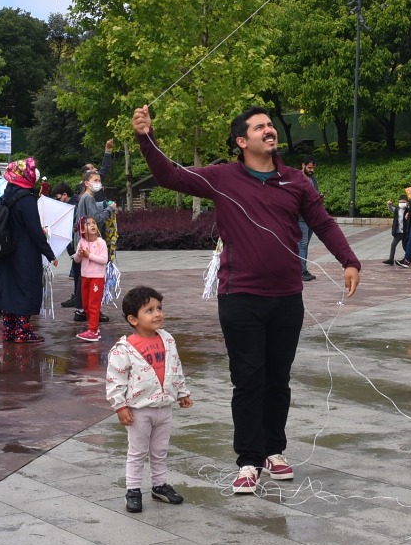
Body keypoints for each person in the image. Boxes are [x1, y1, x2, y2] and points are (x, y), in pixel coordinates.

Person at [132, 103, 360, 495]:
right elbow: (168, 175)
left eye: (271, 125)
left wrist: (349, 260)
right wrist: (145, 138)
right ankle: (249, 460)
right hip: (240, 298)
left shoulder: (295, 182)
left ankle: (275, 451)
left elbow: (322, 222)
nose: (269, 131)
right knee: (249, 378)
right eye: (259, 127)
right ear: (242, 140)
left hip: (288, 297)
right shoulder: (223, 177)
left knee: (278, 379)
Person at [107, 285, 193, 513]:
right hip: (139, 410)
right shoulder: (123, 349)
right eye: (149, 310)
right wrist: (120, 406)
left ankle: (159, 485)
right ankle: (133, 489)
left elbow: (176, 367)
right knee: (137, 452)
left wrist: (182, 392)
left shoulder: (168, 340)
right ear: (133, 319)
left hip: (164, 407)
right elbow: (115, 380)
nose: (157, 314)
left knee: (160, 450)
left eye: (159, 308)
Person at [0, 157, 52, 343]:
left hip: (7, 250)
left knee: (9, 289)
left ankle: (9, 330)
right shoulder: (27, 199)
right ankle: (22, 332)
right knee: (26, 288)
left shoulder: (7, 195)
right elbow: (34, 229)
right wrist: (49, 253)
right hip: (25, 252)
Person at [66, 168, 115, 317]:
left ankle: (83, 309)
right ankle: (87, 309)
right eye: (95, 180)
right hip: (89, 242)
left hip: (84, 240)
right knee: (91, 277)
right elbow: (97, 219)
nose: (98, 183)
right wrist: (110, 209)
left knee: (84, 276)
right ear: (87, 183)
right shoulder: (87, 198)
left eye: (99, 180)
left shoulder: (85, 199)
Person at [76, 217, 110, 343]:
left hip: (97, 278)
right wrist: (79, 254)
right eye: (88, 224)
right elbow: (76, 260)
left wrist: (89, 255)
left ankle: (93, 330)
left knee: (93, 305)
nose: (92, 225)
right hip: (85, 277)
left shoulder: (101, 243)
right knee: (86, 306)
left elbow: (104, 260)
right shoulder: (81, 242)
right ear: (83, 230)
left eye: (94, 223)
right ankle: (94, 327)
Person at [296, 158, 320, 282]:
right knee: (302, 244)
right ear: (303, 165)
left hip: (311, 217)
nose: (312, 170)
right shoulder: (297, 179)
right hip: (301, 217)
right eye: (310, 168)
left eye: (313, 168)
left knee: (304, 244)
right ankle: (302, 271)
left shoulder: (313, 179)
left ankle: (301, 269)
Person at [384, 194, 409, 265]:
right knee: (393, 244)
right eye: (400, 202)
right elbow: (391, 209)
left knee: (405, 246)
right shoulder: (397, 209)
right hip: (398, 232)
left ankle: (408, 258)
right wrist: (389, 205)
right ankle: (391, 259)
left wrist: (409, 210)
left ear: (407, 202)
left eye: (403, 202)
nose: (401, 204)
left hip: (405, 232)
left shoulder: (409, 209)